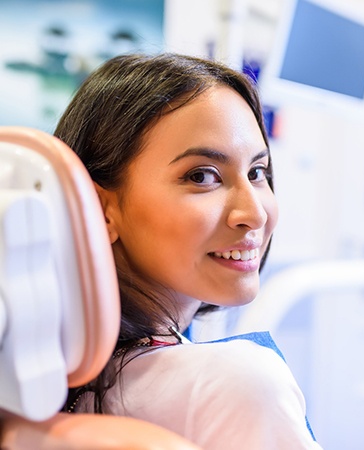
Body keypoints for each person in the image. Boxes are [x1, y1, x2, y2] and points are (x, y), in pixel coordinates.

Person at [54, 52, 322, 450]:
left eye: (257, 173)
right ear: (99, 208)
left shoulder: (57, 382)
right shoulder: (237, 385)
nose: (253, 213)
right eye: (202, 176)